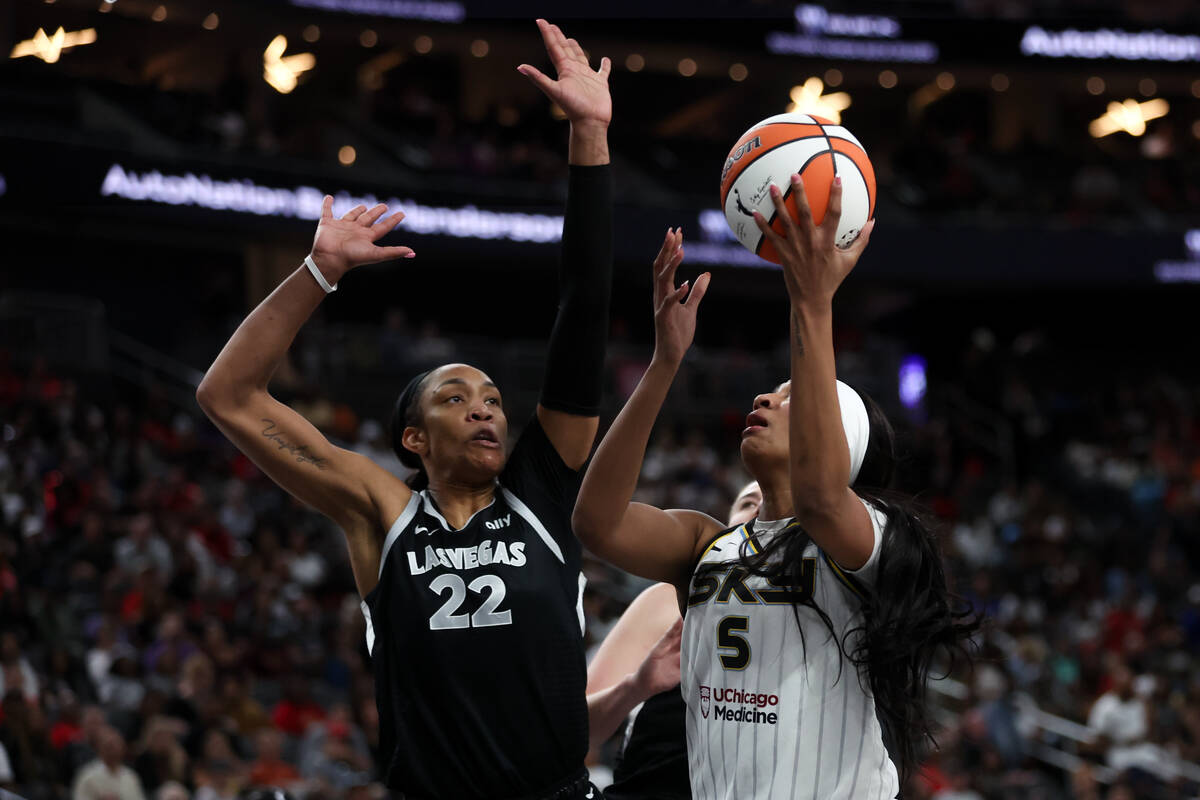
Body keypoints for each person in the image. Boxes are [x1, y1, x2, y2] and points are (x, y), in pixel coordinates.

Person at [197, 18, 615, 799]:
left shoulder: (542, 491)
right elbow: (227, 397)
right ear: (414, 437)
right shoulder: (381, 513)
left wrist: (589, 137)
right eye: (456, 398)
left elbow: (583, 312)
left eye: (492, 397)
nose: (486, 409)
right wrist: (317, 273)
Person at [572, 179, 977, 798]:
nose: (764, 397)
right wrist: (664, 364)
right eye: (773, 391)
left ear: (837, 445)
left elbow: (818, 499)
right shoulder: (708, 544)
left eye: (790, 398)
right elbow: (596, 523)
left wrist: (813, 304)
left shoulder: (876, 535)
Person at [588, 482, 762, 800]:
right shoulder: (666, 601)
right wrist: (635, 686)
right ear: (720, 526)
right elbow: (575, 733)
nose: (760, 512)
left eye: (777, 502)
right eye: (748, 503)